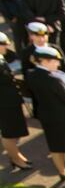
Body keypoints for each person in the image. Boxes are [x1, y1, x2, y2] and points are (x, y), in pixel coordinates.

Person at [26, 45, 65, 181]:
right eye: (55, 61)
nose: (58, 64)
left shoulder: (31, 75)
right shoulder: (54, 80)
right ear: (45, 61)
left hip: (45, 116)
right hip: (62, 118)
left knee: (55, 146)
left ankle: (63, 172)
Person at [0, 31, 31, 170]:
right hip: (4, 104)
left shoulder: (2, 57)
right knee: (8, 134)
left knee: (12, 133)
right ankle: (15, 159)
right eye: (3, 45)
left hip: (10, 101)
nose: (6, 47)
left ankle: (17, 156)